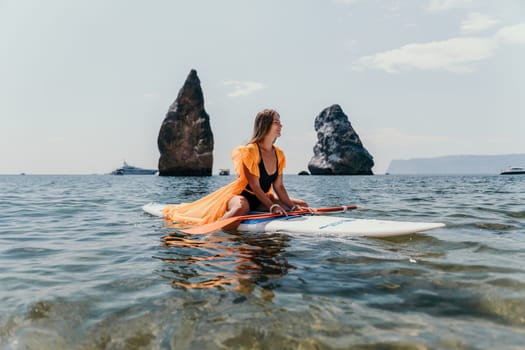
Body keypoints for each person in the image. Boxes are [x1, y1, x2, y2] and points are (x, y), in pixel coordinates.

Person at [163, 109, 309, 228]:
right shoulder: (249, 151)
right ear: (265, 126)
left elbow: (279, 186)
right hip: (241, 196)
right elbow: (255, 186)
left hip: (261, 200)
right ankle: (216, 232)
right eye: (277, 122)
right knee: (241, 209)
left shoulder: (279, 154)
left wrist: (291, 207)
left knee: (302, 205)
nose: (281, 126)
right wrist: (272, 207)